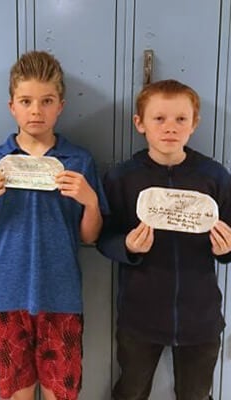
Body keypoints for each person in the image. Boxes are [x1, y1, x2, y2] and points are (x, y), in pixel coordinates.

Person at [0, 50, 108, 400]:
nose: (36, 111)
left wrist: (90, 200)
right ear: (11, 106)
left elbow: (89, 236)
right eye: (26, 101)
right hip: (6, 294)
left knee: (62, 392)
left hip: (60, 295)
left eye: (46, 101)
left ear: (60, 106)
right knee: (16, 393)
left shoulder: (79, 160)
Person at [97, 79, 231, 400]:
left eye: (181, 119)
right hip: (139, 317)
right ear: (139, 123)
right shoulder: (122, 178)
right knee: (130, 392)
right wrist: (127, 246)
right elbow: (103, 237)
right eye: (159, 119)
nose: (170, 128)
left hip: (201, 318)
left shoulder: (214, 177)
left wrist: (227, 250)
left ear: (194, 124)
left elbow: (228, 240)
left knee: (196, 395)